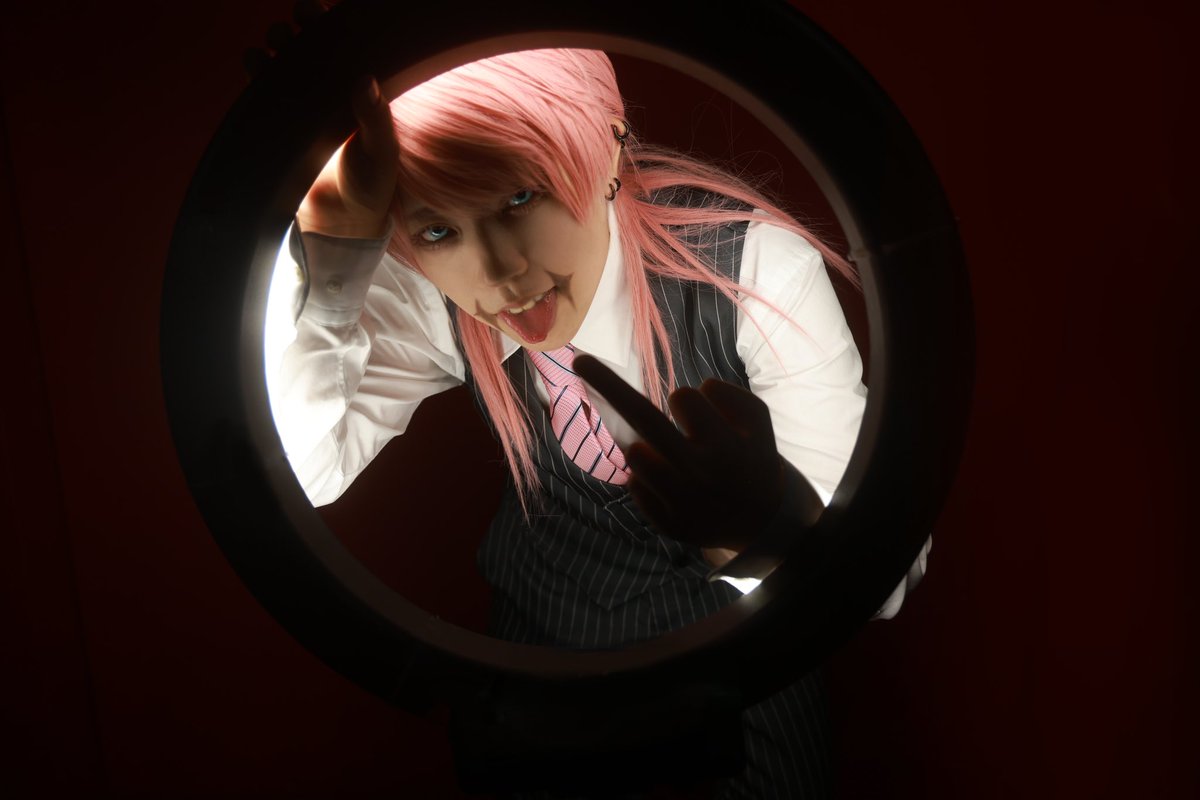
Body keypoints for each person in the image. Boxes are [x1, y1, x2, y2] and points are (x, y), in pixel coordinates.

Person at [268, 48, 930, 799]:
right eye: (437, 232)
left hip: (741, 698)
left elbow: (884, 584)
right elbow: (302, 473)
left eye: (520, 199)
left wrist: (765, 527)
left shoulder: (753, 271)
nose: (497, 272)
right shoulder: (429, 295)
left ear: (608, 147)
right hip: (537, 702)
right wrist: (334, 247)